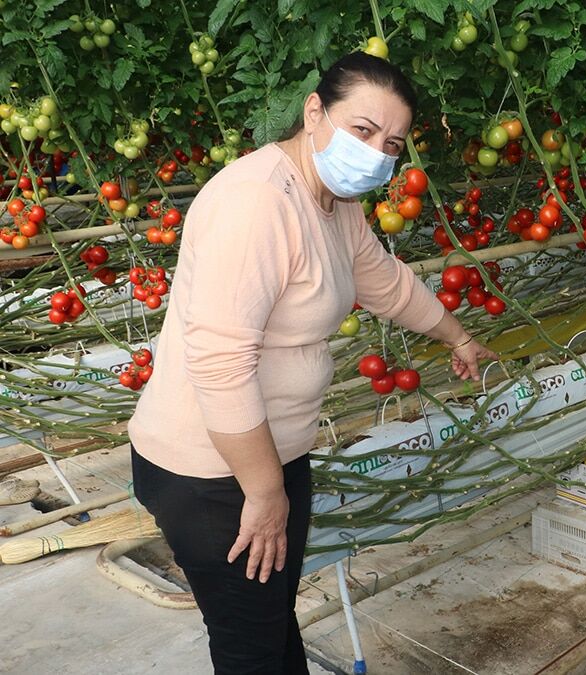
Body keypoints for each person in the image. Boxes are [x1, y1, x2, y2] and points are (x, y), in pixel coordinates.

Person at [127, 51, 496, 674]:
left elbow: (382, 280)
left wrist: (457, 336)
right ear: (314, 111)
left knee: (268, 626)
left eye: (393, 143)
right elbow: (219, 362)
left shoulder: (331, 198)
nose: (378, 153)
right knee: (251, 646)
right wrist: (265, 492)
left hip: (266, 457)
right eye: (363, 130)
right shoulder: (257, 203)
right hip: (213, 473)